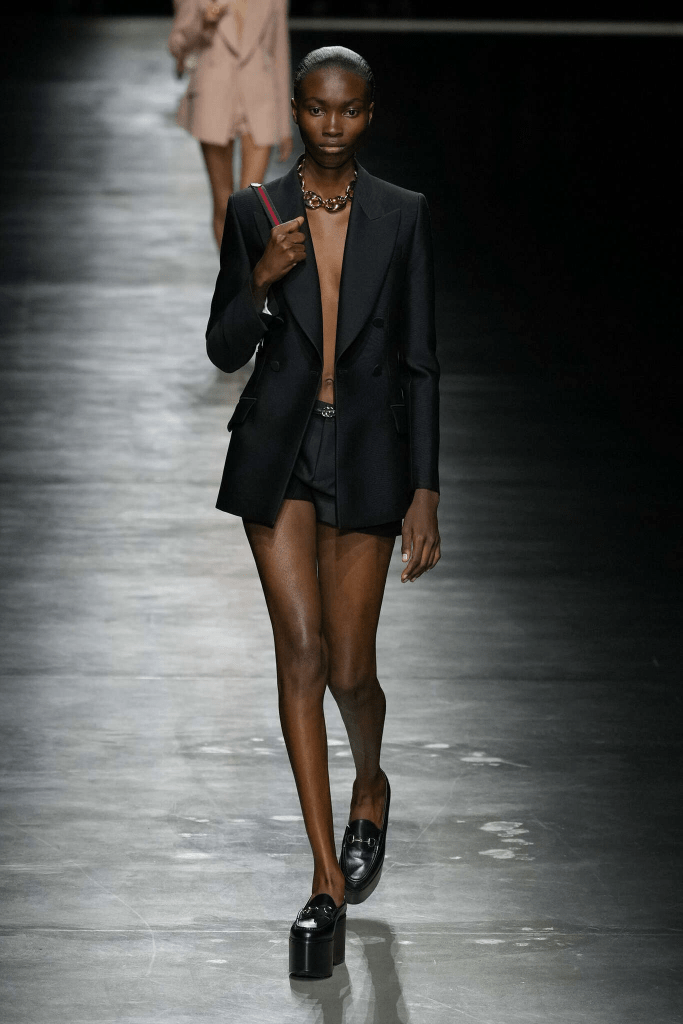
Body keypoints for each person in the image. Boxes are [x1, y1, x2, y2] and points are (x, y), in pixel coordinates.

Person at [205, 46, 440, 978]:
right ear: (296, 111)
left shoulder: (403, 214)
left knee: (350, 669)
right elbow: (223, 347)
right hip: (281, 453)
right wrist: (260, 275)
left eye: (346, 110)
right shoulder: (255, 210)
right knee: (299, 652)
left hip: (371, 456)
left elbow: (420, 361)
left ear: (368, 114)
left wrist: (425, 489)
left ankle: (369, 783)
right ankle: (323, 880)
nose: (330, 125)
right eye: (313, 108)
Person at [169, 0, 293, 247]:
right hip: (212, 98)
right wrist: (203, 22)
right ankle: (232, 270)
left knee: (250, 204)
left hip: (261, 99)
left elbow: (280, 51)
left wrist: (285, 124)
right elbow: (177, 44)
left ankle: (247, 271)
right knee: (223, 202)